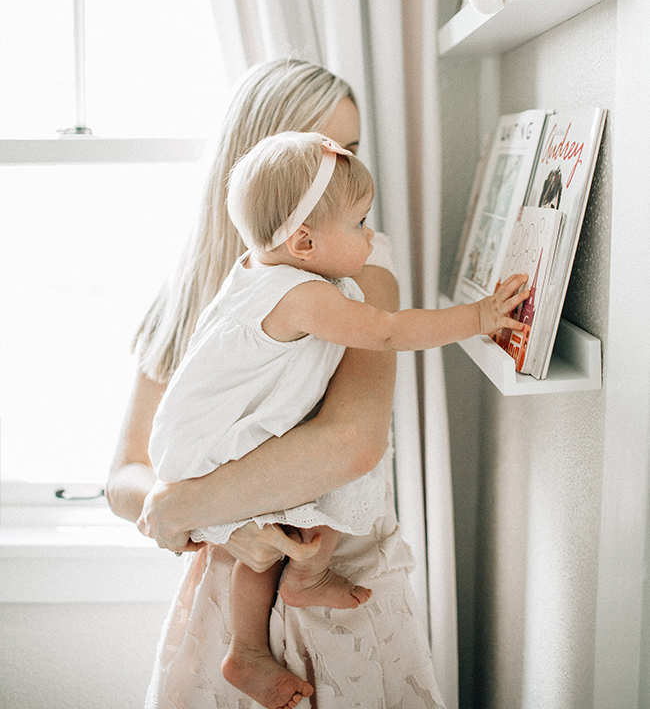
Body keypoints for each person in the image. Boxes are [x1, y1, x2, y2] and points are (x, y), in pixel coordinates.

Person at [106, 59, 452, 708]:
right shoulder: (195, 293)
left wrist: (187, 506)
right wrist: (214, 521)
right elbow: (127, 473)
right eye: (324, 152)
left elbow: (350, 442)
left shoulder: (362, 273)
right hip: (224, 602)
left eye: (350, 150)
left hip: (341, 581)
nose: (345, 170)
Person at [146, 129, 528, 709]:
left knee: (288, 508)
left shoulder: (255, 270)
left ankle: (293, 591)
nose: (372, 236)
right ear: (302, 242)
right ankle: (250, 646)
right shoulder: (303, 296)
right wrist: (477, 317)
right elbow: (387, 331)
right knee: (292, 498)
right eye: (358, 224)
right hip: (217, 444)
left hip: (200, 436)